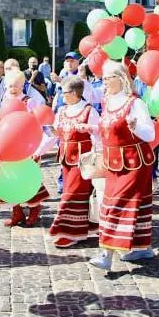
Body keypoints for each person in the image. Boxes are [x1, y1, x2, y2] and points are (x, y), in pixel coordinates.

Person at [89, 61, 156, 271]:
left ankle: (106, 254)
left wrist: (135, 128)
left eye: (109, 77)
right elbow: (105, 131)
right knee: (116, 204)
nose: (105, 81)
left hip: (134, 165)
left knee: (116, 205)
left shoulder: (135, 104)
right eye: (104, 78)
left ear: (122, 78)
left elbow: (150, 134)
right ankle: (141, 247)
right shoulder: (107, 102)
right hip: (112, 164)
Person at [48, 76, 99, 248]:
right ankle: (87, 227)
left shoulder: (89, 111)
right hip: (65, 160)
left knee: (73, 194)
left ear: (75, 93)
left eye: (65, 92)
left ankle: (70, 232)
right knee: (72, 193)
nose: (62, 96)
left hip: (82, 161)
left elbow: (97, 134)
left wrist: (98, 156)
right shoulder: (62, 111)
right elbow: (56, 134)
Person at [0, 69, 50, 227]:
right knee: (10, 179)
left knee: (28, 179)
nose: (12, 89)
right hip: (9, 148)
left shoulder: (29, 101)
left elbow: (39, 125)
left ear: (22, 86)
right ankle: (17, 211)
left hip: (27, 146)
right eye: (9, 86)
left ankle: (34, 210)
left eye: (15, 86)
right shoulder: (5, 100)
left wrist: (38, 149)